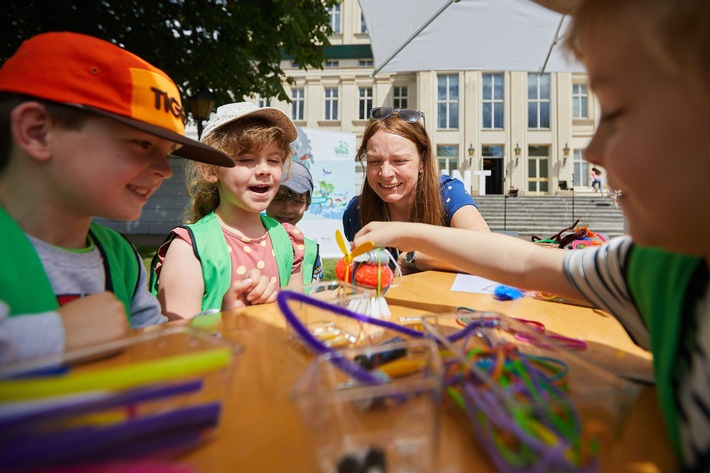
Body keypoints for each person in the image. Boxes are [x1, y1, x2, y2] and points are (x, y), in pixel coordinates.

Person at [353, 0, 710, 469]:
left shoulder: (661, 273)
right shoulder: (655, 269)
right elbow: (524, 262)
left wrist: (410, 241)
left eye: (618, 112)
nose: (593, 150)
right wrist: (403, 231)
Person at [0, 32, 233, 364]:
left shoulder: (120, 257)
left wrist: (227, 318)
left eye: (167, 153)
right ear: (36, 131)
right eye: (141, 144)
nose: (164, 170)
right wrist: (58, 337)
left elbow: (153, 348)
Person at [151, 102, 319, 320]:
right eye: (246, 159)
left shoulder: (287, 239)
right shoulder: (189, 248)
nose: (264, 170)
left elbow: (297, 316)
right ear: (211, 170)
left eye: (274, 160)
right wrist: (225, 319)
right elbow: (177, 340)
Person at [342, 106, 490, 274]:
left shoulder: (447, 193)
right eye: (374, 161)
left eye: (399, 161)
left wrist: (413, 257)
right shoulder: (357, 211)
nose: (386, 173)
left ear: (422, 161)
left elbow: (487, 252)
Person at [266, 160, 324, 280]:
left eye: (297, 202)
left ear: (307, 204)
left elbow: (316, 293)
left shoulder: (312, 251)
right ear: (265, 198)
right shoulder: (249, 241)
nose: (287, 210)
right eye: (279, 199)